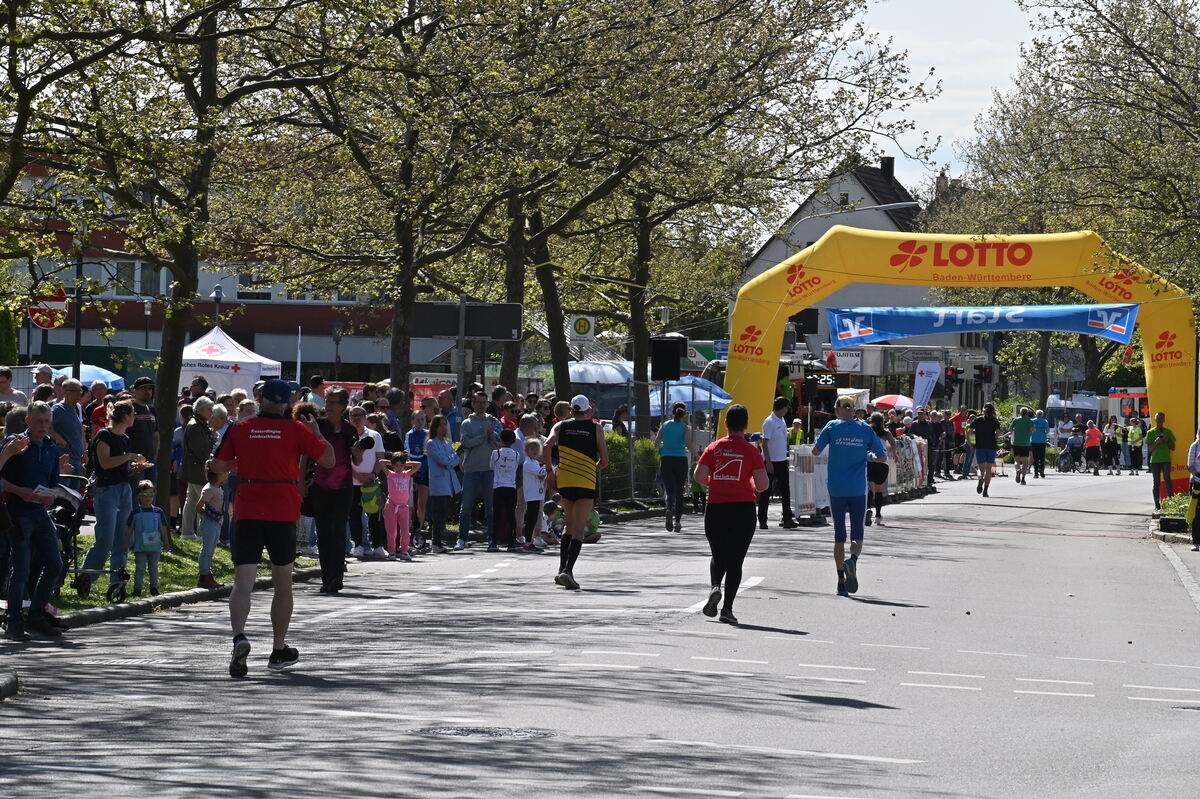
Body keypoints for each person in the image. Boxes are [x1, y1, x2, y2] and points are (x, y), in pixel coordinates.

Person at [212, 379, 333, 678]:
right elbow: (328, 460)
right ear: (287, 402)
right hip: (282, 508)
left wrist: (239, 463)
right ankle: (278, 650)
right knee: (283, 583)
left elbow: (217, 465)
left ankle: (239, 637)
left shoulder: (240, 428)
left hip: (249, 505)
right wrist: (317, 433)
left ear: (261, 398)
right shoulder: (297, 429)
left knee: (243, 582)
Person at [693, 403, 768, 625]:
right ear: (746, 426)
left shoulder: (714, 448)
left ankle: (715, 586)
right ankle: (727, 608)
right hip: (743, 509)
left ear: (725, 424)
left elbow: (698, 476)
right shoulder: (751, 450)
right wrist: (747, 482)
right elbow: (763, 485)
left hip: (716, 507)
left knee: (718, 554)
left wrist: (714, 482)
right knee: (735, 560)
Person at [1, 402, 64, 640]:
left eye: (47, 421)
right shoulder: (16, 443)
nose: (43, 426)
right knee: (21, 568)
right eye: (39, 421)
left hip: (39, 511)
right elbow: (2, 479)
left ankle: (37, 614)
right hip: (17, 511)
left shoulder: (50, 447)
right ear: (27, 421)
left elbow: (53, 483)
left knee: (55, 562)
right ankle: (13, 620)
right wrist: (20, 491)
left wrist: (51, 495)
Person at [813, 396, 885, 596]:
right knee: (857, 534)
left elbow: (816, 451)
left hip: (836, 488)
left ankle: (840, 582)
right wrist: (867, 455)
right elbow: (882, 456)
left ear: (837, 410)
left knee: (839, 535)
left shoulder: (832, 426)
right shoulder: (865, 429)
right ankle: (852, 561)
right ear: (853, 411)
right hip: (857, 489)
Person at [77, 400, 149, 595]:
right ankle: (86, 578)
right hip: (107, 490)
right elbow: (106, 463)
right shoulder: (104, 436)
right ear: (125, 416)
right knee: (105, 538)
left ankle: (117, 582)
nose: (135, 417)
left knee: (122, 539)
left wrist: (136, 467)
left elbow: (122, 468)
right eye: (133, 414)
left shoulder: (125, 438)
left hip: (124, 489)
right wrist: (129, 457)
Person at [543, 394, 608, 590]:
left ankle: (561, 569)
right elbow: (605, 460)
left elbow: (547, 445)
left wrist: (549, 471)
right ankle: (568, 571)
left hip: (565, 480)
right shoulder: (595, 427)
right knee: (579, 528)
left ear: (571, 409)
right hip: (586, 481)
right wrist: (591, 469)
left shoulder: (561, 426)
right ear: (588, 410)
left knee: (568, 526)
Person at [308, 387, 358, 591]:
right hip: (320, 485)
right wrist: (301, 481)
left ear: (343, 406)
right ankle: (326, 578)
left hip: (343, 487)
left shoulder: (349, 429)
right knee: (323, 533)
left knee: (337, 532)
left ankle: (336, 577)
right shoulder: (318, 425)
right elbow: (306, 454)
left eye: (333, 402)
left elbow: (357, 459)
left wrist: (359, 450)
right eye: (327, 402)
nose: (328, 406)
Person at [458, 391, 499, 550]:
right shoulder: (467, 423)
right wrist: (482, 436)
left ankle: (491, 539)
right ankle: (462, 538)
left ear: (488, 404)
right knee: (466, 506)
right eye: (478, 402)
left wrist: (492, 435)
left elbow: (498, 441)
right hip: (471, 470)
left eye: (484, 402)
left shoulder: (493, 421)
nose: (481, 405)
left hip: (490, 469)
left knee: (491, 507)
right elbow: (465, 443)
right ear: (473, 404)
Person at [755, 396, 797, 531]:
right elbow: (765, 443)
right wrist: (768, 461)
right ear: (783, 407)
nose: (787, 410)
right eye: (787, 407)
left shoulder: (782, 420)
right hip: (771, 461)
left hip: (781, 460)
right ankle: (762, 519)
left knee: (786, 490)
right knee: (766, 491)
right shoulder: (769, 422)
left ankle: (787, 518)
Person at [125, 480, 169, 597]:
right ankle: (137, 589)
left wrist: (166, 542)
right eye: (145, 495)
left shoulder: (158, 512)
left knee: (153, 568)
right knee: (139, 568)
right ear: (139, 496)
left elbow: (162, 528)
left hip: (155, 547)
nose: (148, 498)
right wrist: (125, 545)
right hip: (140, 547)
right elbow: (129, 529)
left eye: (150, 494)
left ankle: (154, 588)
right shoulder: (135, 513)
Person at [656, 401, 694, 533]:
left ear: (673, 412)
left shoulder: (664, 425)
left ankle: (668, 508)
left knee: (670, 489)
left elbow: (656, 443)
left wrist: (663, 449)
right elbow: (688, 444)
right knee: (680, 491)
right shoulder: (685, 427)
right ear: (684, 414)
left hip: (666, 460)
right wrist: (698, 456)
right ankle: (677, 522)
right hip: (680, 460)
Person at [425, 415, 460, 553]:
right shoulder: (431, 443)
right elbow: (442, 460)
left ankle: (440, 540)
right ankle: (436, 542)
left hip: (448, 481)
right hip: (438, 482)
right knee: (438, 512)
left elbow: (455, 460)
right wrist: (449, 461)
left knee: (444, 511)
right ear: (434, 427)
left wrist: (449, 461)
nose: (443, 427)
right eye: (441, 425)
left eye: (445, 424)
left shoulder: (447, 443)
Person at [382, 451, 421, 561]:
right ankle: (392, 551)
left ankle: (404, 550)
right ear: (393, 466)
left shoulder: (407, 474)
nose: (399, 468)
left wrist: (405, 463)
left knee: (405, 531)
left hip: (403, 507)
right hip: (391, 506)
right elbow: (381, 463)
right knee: (391, 531)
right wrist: (393, 461)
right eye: (396, 466)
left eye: (401, 466)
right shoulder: (390, 474)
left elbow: (418, 464)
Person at [196, 462, 228, 590]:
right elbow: (198, 506)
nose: (227, 474)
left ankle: (208, 574)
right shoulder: (210, 489)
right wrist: (206, 515)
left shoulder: (218, 488)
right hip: (210, 523)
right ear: (217, 475)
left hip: (216, 523)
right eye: (224, 472)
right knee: (207, 550)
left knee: (211, 550)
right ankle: (203, 575)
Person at [490, 428, 521, 552]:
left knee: (496, 515)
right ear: (513, 441)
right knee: (510, 515)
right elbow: (516, 467)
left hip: (498, 487)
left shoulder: (495, 453)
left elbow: (491, 467)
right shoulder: (516, 454)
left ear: (501, 440)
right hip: (511, 487)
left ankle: (494, 542)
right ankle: (511, 542)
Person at [865, 412, 896, 526]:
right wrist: (895, 455)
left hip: (870, 460)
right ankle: (878, 515)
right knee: (879, 489)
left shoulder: (868, 431)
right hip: (883, 462)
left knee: (869, 487)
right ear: (883, 421)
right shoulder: (886, 433)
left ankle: (868, 509)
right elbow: (893, 444)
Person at [50, 378, 85, 475]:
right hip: (65, 462)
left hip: (76, 460)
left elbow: (79, 432)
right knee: (64, 490)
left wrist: (84, 452)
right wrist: (59, 439)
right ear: (65, 392)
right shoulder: (58, 409)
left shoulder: (75, 408)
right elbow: (46, 427)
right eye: (77, 391)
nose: (80, 394)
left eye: (80, 391)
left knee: (75, 490)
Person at [521, 438, 550, 550]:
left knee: (533, 518)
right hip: (531, 494)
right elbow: (541, 473)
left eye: (536, 449)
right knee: (531, 518)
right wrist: (550, 468)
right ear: (527, 451)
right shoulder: (528, 463)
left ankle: (530, 541)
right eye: (531, 449)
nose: (534, 451)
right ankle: (528, 542)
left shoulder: (535, 462)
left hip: (537, 494)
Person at [969, 403, 1003, 497]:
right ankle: (985, 490)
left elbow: (970, 431)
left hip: (980, 446)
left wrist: (972, 442)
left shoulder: (978, 419)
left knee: (981, 469)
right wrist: (1000, 436)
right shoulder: (995, 421)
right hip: (991, 447)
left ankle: (980, 478)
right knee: (989, 470)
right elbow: (998, 434)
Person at [1146, 412, 1176, 510]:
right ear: (1155, 419)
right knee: (1156, 482)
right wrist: (1156, 442)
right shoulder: (1150, 432)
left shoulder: (1168, 431)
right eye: (1158, 419)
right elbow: (1150, 449)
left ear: (1164, 420)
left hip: (1166, 460)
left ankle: (1171, 502)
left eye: (1161, 419)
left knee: (1167, 479)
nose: (1160, 421)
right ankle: (1157, 505)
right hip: (1155, 461)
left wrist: (1167, 440)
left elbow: (1173, 447)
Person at [1010, 408, 1034, 485]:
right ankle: (1023, 479)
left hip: (1016, 443)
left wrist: (1015, 429)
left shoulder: (1016, 420)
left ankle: (1017, 470)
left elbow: (1010, 429)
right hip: (1026, 443)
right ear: (1027, 413)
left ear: (1020, 413)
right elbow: (1031, 430)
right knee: (1025, 462)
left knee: (1016, 460)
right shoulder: (1030, 421)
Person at [1187, 426, 1200, 551]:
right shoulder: (1194, 446)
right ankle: (1196, 541)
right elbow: (1190, 465)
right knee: (1196, 513)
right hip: (1197, 482)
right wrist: (1197, 475)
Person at [1030, 409, 1050, 479]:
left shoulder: (1032, 421)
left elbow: (1030, 429)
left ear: (1036, 414)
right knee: (1042, 457)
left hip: (1034, 441)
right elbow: (1047, 431)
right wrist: (1043, 431)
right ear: (1042, 415)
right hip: (1042, 441)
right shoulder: (1045, 421)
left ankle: (1036, 473)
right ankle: (1041, 469)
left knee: (1035, 458)